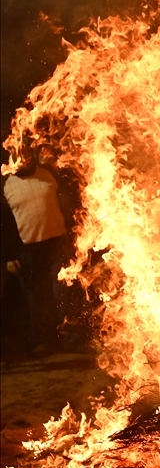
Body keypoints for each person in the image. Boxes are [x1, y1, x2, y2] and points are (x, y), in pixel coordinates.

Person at [2, 141, 72, 355]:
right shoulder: (6, 184)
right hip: (27, 249)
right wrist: (9, 257)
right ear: (12, 158)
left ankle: (69, 339)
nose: (26, 158)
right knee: (37, 297)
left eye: (28, 153)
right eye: (20, 155)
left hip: (58, 243)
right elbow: (3, 224)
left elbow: (68, 201)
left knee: (62, 291)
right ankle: (44, 341)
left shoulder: (49, 173)